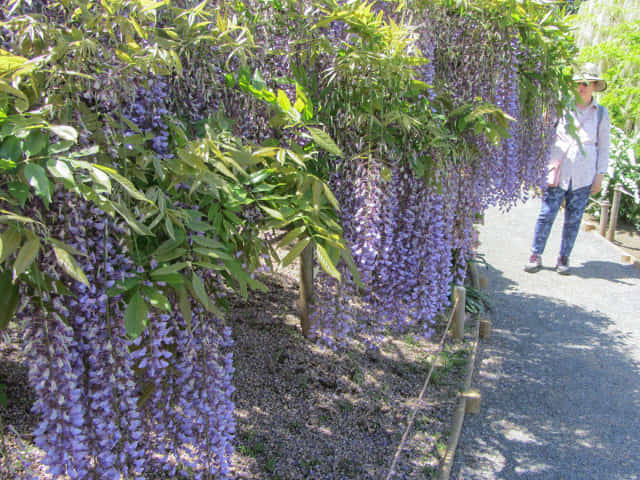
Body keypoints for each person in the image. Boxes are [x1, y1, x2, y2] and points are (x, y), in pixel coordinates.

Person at [524, 63, 610, 275]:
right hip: (559, 170)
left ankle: (564, 257)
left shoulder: (600, 114)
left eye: (586, 84)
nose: (582, 87)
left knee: (574, 218)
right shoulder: (561, 107)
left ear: (594, 86)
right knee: (547, 213)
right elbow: (545, 134)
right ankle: (535, 254)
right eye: (579, 83)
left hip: (584, 173)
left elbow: (604, 146)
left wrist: (600, 175)